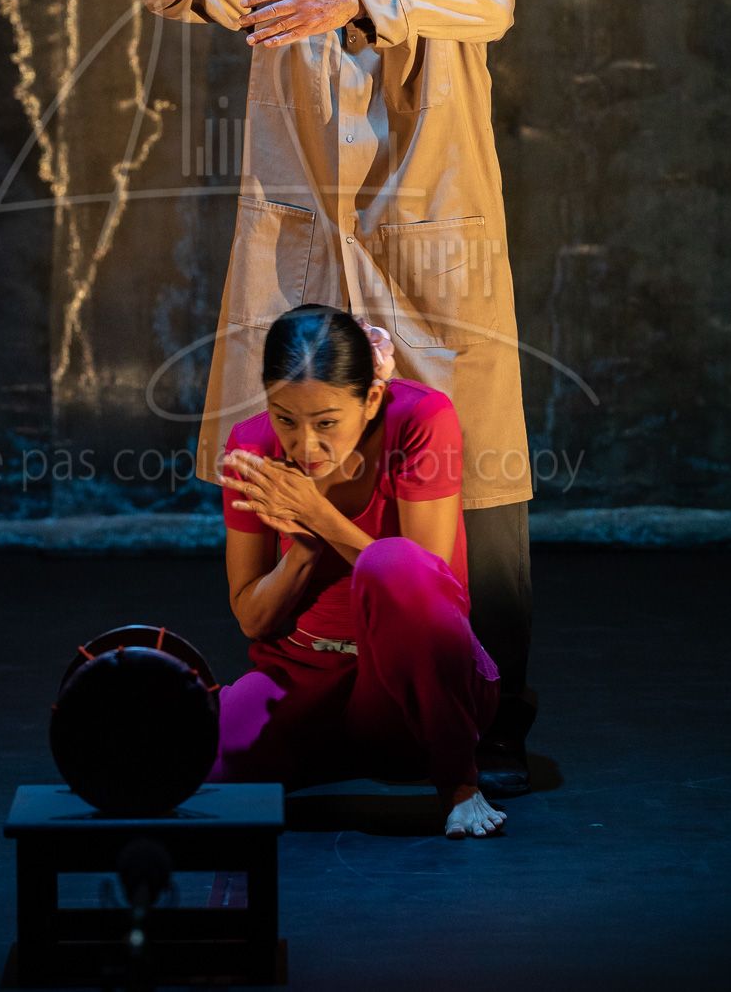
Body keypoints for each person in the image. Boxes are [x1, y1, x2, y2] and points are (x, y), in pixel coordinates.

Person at [139, 0, 534, 791]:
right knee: (295, 447)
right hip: (303, 238)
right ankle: (309, 687)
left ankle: (490, 721)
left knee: (474, 472)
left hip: (424, 236)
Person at [207, 304, 507, 840]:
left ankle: (459, 782)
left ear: (370, 399)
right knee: (199, 759)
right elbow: (253, 619)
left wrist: (319, 515)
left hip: (407, 688)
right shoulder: (252, 449)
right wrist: (302, 549)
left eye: (326, 423)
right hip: (304, 677)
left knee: (393, 563)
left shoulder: (420, 419)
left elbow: (426, 588)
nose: (304, 446)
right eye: (285, 419)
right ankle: (323, 754)